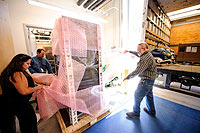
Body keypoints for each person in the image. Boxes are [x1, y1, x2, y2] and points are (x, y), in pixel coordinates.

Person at [0, 54, 47, 133]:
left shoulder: (21, 71)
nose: (29, 65)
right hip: (16, 103)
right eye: (27, 63)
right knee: (29, 123)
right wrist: (37, 87)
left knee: (24, 122)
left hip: (13, 102)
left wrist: (45, 83)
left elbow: (33, 78)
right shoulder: (16, 73)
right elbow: (24, 91)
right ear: (20, 63)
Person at [123, 42, 157, 119]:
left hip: (146, 80)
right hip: (151, 79)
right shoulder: (146, 53)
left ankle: (136, 113)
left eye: (138, 50)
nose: (137, 51)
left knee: (137, 95)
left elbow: (137, 71)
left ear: (144, 49)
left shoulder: (145, 59)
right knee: (149, 95)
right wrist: (129, 51)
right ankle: (152, 112)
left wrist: (127, 77)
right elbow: (138, 54)